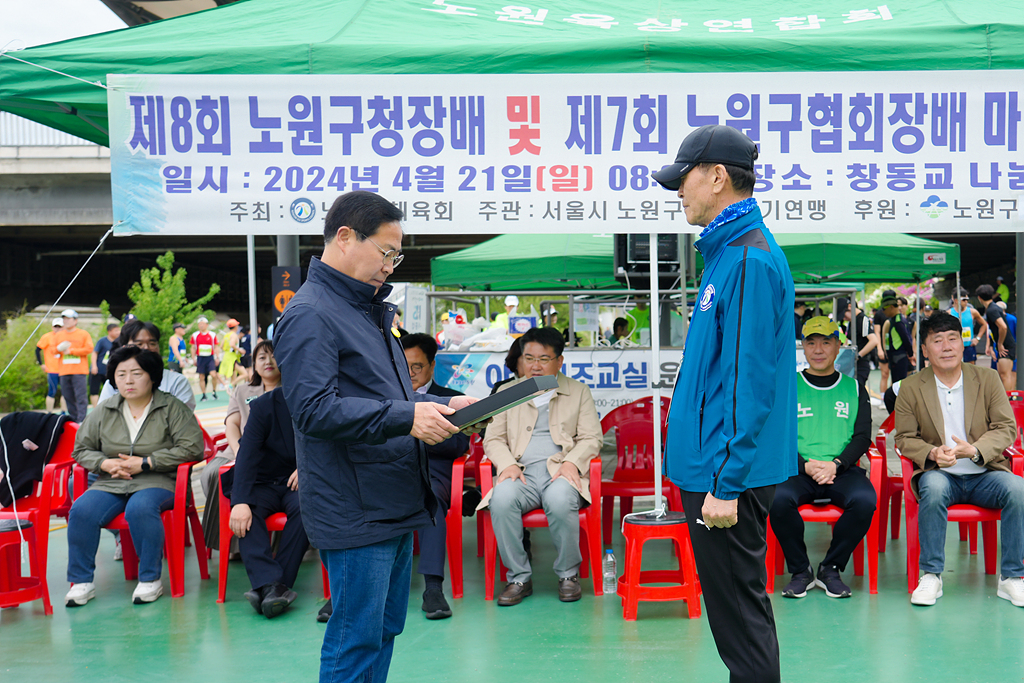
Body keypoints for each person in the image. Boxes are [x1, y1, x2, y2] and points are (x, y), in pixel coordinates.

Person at [273, 190, 477, 683]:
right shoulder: (312, 314)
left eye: (397, 255)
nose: (392, 264)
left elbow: (382, 391)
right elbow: (313, 409)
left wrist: (440, 406)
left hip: (388, 493)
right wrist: (406, 417)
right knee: (355, 636)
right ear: (345, 238)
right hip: (354, 504)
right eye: (387, 252)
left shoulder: (363, 308)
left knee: (383, 628)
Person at [655, 124, 796, 683]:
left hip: (725, 474)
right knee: (736, 620)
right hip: (716, 464)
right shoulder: (728, 253)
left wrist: (727, 482)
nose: (678, 194)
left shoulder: (746, 260)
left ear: (716, 177)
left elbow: (746, 383)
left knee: (740, 623)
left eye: (683, 181)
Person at [894, 312, 1024, 607]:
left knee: (1018, 488)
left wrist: (975, 450)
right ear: (925, 350)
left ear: (962, 343)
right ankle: (931, 575)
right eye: (937, 341)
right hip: (940, 473)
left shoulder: (987, 378)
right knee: (935, 488)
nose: (947, 346)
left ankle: (1012, 577)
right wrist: (932, 453)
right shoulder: (911, 387)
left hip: (984, 472)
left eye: (953, 338)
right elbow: (903, 438)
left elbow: (1006, 428)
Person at [64, 345, 204, 607]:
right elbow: (81, 449)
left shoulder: (171, 407)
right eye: (121, 374)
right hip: (112, 481)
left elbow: (192, 448)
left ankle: (150, 578)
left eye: (136, 373)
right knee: (82, 510)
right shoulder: (104, 410)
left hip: (157, 480)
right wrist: (105, 464)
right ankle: (81, 581)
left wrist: (148, 463)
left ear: (152, 376)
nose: (128, 380)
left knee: (140, 508)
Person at [480, 326, 602, 606]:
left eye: (543, 359)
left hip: (560, 470)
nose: (534, 365)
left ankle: (568, 574)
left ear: (559, 361)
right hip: (520, 472)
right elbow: (493, 438)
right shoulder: (507, 392)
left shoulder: (578, 391)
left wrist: (572, 462)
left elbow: (591, 437)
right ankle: (518, 577)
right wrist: (507, 464)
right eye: (529, 358)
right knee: (501, 499)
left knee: (560, 499)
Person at [772, 317, 876, 599]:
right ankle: (800, 571)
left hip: (841, 471)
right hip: (797, 470)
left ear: (838, 345)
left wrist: (836, 464)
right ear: (803, 348)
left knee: (865, 501)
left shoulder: (854, 388)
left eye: (826, 342)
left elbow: (863, 436)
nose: (818, 349)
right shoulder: (788, 387)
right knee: (777, 499)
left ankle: (830, 568)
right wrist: (803, 464)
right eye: (811, 342)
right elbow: (775, 435)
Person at [400, 333, 471, 619]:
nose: (410, 373)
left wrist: (420, 429)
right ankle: (350, 591)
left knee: (428, 500)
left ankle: (432, 588)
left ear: (432, 365)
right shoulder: (386, 399)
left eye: (416, 366)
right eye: (403, 366)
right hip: (392, 472)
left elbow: (458, 445)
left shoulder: (449, 399)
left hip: (434, 475)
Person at [227, 386, 308, 619]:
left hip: (300, 483)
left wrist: (307, 468)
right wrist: (240, 501)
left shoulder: (325, 400)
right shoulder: (263, 405)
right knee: (246, 513)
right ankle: (274, 587)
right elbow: (246, 454)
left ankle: (270, 585)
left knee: (308, 510)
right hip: (263, 482)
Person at [98, 320, 196, 411]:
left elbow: (182, 419)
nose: (146, 348)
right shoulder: (114, 383)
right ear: (124, 348)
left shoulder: (177, 382)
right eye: (139, 344)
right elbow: (103, 417)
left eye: (152, 343)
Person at [53, 309, 93, 424]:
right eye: (64, 319)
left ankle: (82, 420)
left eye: (68, 319)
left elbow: (89, 349)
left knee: (80, 397)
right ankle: (74, 419)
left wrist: (72, 351)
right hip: (64, 371)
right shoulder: (59, 335)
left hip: (79, 371)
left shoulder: (83, 334)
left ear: (75, 321)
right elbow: (52, 350)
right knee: (68, 396)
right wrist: (59, 349)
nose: (66, 321)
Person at [975, 284, 1016, 391]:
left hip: (1005, 346)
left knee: (1004, 375)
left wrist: (1000, 343)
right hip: (1007, 345)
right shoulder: (994, 307)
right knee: (1006, 374)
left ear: (979, 298)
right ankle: (1009, 400)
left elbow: (1003, 327)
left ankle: (1007, 401)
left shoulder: (991, 310)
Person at [841, 298, 880, 388]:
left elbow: (874, 341)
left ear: (850, 307)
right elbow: (847, 340)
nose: (844, 318)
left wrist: (858, 355)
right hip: (853, 363)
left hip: (861, 364)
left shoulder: (862, 319)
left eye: (844, 315)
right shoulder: (852, 321)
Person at [881, 292, 914, 383]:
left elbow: (906, 338)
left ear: (891, 307)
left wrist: (910, 354)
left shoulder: (898, 320)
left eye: (884, 309)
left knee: (899, 384)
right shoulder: (893, 319)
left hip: (899, 356)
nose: (883, 311)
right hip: (895, 357)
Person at [36, 318, 65, 413]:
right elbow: (37, 349)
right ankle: (49, 412)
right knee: (52, 391)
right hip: (52, 369)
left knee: (65, 392)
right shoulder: (47, 337)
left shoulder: (66, 337)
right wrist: (41, 364)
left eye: (59, 327)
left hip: (64, 369)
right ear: (52, 327)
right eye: (56, 326)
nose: (57, 329)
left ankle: (64, 411)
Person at [191, 316, 223, 401]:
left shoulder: (212, 335)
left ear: (207, 325)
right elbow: (193, 347)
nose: (201, 325)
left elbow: (216, 347)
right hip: (200, 357)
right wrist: (193, 358)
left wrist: (217, 357)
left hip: (210, 357)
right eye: (200, 324)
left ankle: (214, 391)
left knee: (213, 374)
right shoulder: (195, 335)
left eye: (203, 324)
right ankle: (204, 394)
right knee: (201, 376)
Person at [952, 288, 987, 365]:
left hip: (968, 346)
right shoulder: (949, 313)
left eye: (967, 299)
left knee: (971, 370)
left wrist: (977, 338)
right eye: (963, 299)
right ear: (956, 300)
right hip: (954, 347)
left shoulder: (972, 312)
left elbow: (984, 324)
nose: (966, 302)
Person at [90, 323, 120, 407]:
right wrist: (94, 366)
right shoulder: (102, 341)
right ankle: (96, 409)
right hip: (98, 370)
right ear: (109, 332)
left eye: (119, 330)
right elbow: (94, 353)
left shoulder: (119, 342)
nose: (118, 332)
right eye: (116, 330)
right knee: (94, 391)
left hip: (109, 372)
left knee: (110, 390)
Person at [220, 318, 243, 386]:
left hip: (226, 356)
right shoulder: (234, 335)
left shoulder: (226, 335)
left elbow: (221, 346)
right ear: (236, 326)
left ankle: (233, 392)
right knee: (244, 374)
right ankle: (230, 386)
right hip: (233, 357)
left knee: (233, 375)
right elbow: (232, 344)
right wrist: (239, 350)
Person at [872, 305, 890, 394]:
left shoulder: (897, 314)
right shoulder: (879, 314)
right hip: (883, 347)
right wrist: (879, 348)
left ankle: (894, 400)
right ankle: (883, 399)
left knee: (895, 376)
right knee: (885, 374)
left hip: (895, 349)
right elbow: (877, 332)